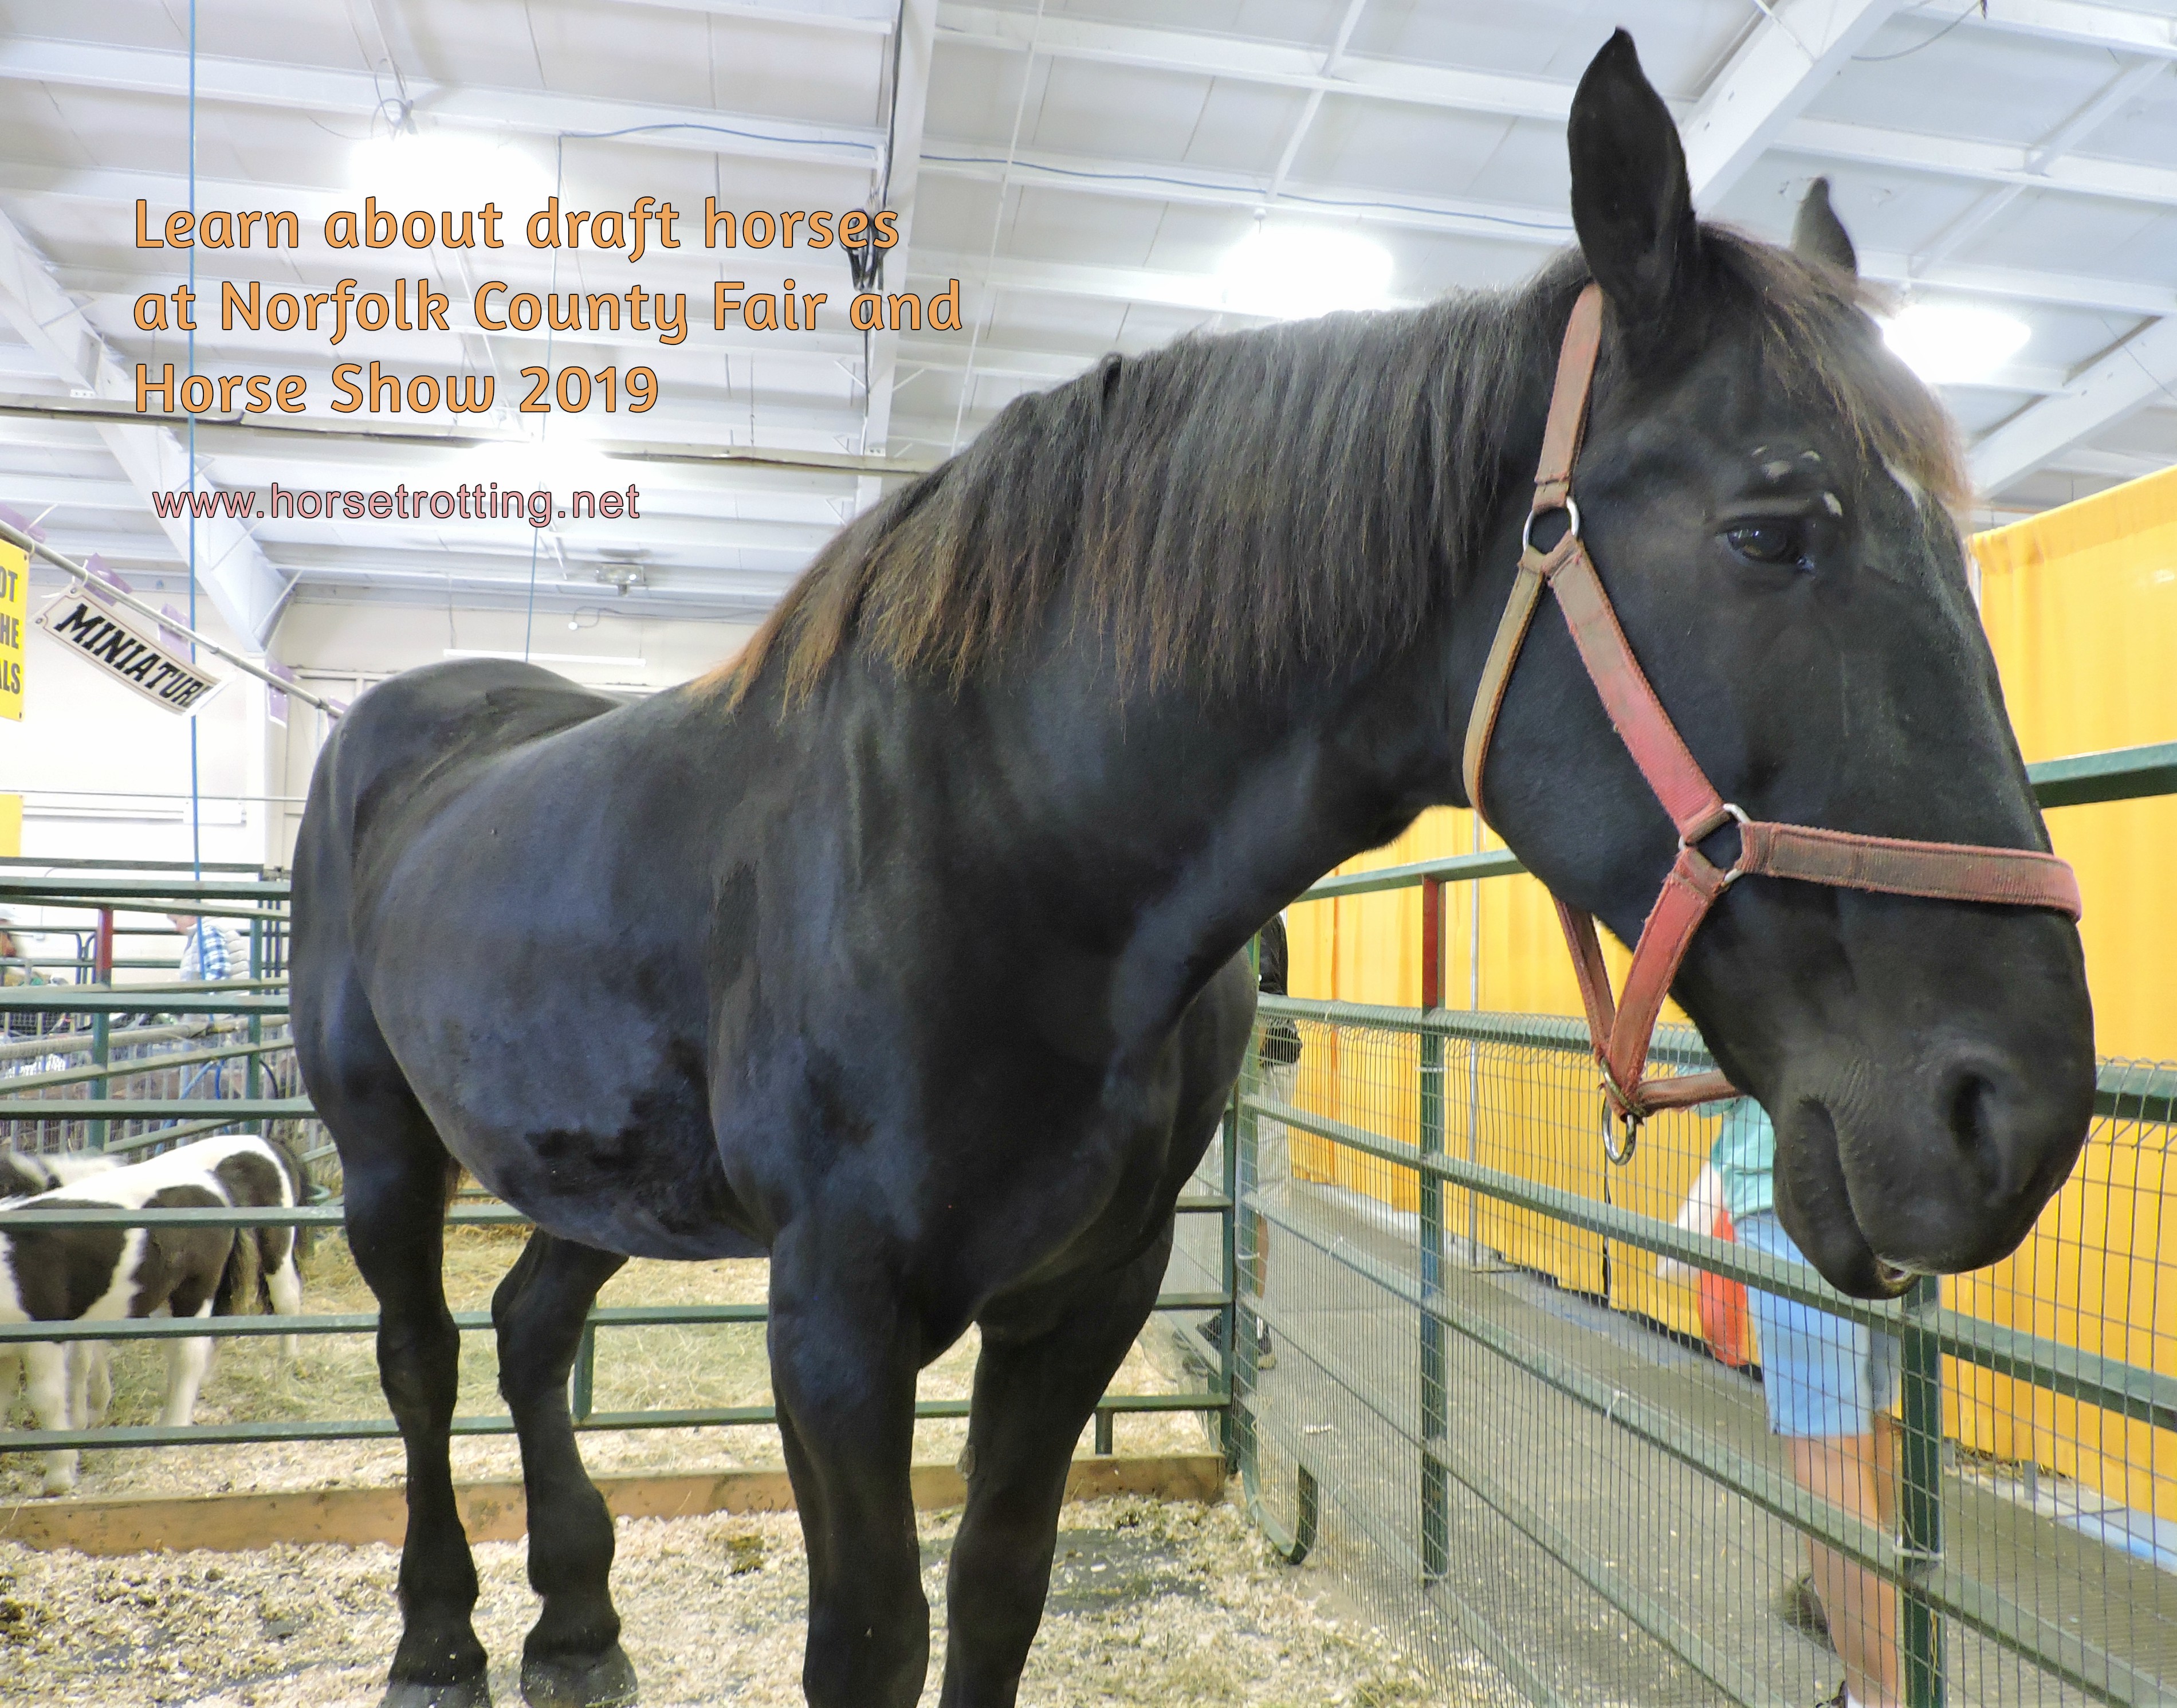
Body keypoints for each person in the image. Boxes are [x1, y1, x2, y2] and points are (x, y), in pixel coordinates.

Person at [1710, 1096, 1903, 1708]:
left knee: (1825, 1450)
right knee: (1873, 1420)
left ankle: (1875, 1697)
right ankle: (1884, 1666)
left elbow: (1712, 1069)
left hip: (1791, 1180)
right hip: (1895, 1169)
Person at [169, 913, 248, 983]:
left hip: (224, 995)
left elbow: (219, 971)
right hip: (231, 993)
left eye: (176, 922)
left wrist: (205, 994)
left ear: (190, 916)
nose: (177, 928)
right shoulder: (210, 930)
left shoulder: (208, 932)